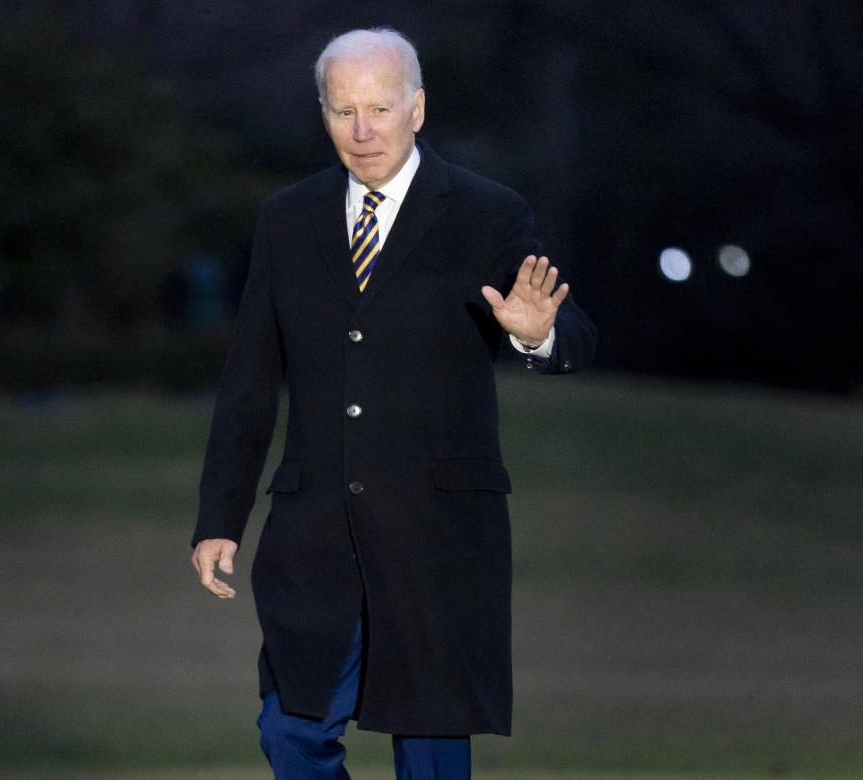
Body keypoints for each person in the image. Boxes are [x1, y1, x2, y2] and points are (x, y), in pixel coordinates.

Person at [190, 27, 597, 779]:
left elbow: (572, 329)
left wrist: (538, 336)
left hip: (438, 540)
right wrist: (220, 516)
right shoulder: (288, 219)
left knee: (433, 761)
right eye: (343, 110)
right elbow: (249, 379)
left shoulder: (486, 212)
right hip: (315, 537)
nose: (363, 130)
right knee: (291, 736)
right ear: (323, 113)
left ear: (418, 108)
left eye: (380, 107)